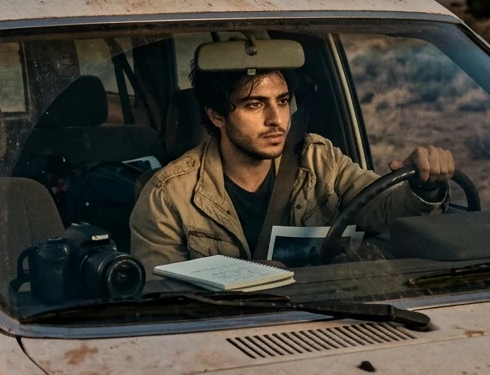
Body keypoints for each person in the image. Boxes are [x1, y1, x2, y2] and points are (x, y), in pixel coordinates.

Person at [129, 63, 452, 270]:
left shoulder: (319, 160)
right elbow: (161, 297)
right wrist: (245, 281)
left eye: (282, 101)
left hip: (330, 319)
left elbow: (381, 207)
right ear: (217, 116)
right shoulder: (168, 196)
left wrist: (424, 187)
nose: (276, 120)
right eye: (255, 105)